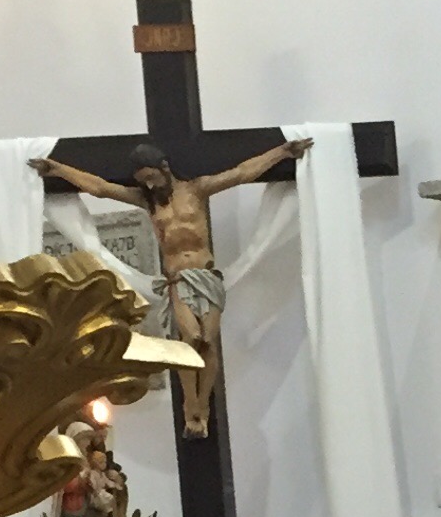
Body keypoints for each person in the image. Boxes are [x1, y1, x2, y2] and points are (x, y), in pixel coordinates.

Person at [32, 133, 312, 439]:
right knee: (189, 339)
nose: (150, 186)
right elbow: (100, 188)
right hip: (177, 281)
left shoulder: (197, 189)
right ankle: (190, 405)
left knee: (208, 341)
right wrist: (58, 169)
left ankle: (202, 407)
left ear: (164, 168)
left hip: (206, 277)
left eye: (152, 177)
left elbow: (242, 173)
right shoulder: (147, 201)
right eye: (144, 181)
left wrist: (282, 152)